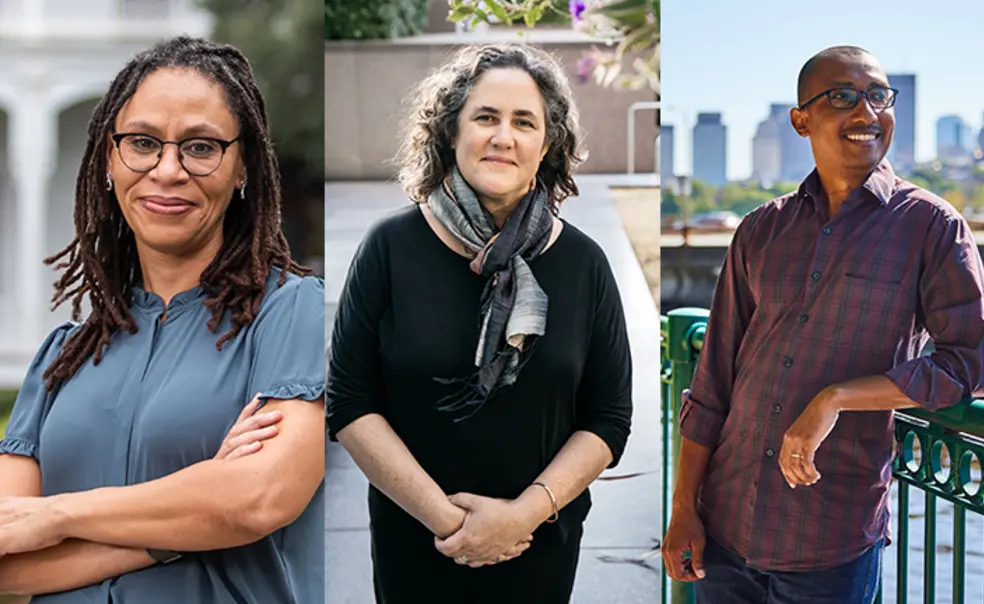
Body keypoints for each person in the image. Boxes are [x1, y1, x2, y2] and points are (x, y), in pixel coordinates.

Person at [0, 36, 325, 603]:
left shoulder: (291, 312)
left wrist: (55, 515)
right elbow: (8, 560)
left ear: (242, 163)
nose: (167, 171)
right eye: (144, 143)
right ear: (110, 157)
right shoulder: (61, 357)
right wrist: (192, 521)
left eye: (201, 147)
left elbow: (258, 498)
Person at [661, 45, 984, 604]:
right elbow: (711, 383)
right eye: (841, 97)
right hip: (724, 526)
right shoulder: (760, 229)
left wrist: (836, 397)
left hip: (828, 540)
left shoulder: (932, 228)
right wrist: (684, 508)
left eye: (878, 96)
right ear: (801, 119)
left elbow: (970, 361)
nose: (866, 112)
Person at [326, 43, 633, 603]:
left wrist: (520, 517)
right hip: (417, 544)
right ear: (450, 132)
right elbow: (349, 402)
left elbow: (608, 418)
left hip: (539, 543)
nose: (503, 137)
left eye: (524, 122)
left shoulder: (584, 263)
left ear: (547, 144)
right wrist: (448, 522)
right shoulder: (389, 248)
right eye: (485, 117)